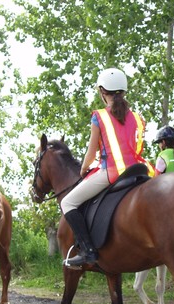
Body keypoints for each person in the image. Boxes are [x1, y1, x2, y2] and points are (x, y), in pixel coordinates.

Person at [60, 68, 153, 267]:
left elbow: (91, 153)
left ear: (102, 91)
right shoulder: (138, 118)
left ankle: (88, 251)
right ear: (124, 91)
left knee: (67, 202)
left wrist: (84, 169)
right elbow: (137, 147)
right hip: (139, 170)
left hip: (112, 172)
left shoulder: (99, 117)